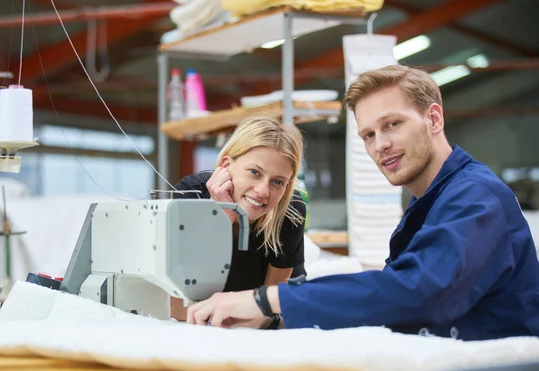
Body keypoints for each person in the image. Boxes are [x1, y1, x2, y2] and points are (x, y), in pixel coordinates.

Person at [185, 65, 539, 340]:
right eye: (368, 134)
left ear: (433, 118)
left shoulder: (475, 196)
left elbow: (419, 292)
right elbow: (390, 296)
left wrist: (267, 301)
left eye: (392, 124)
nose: (379, 145)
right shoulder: (428, 205)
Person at [173, 115, 307, 327]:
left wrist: (241, 318)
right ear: (226, 165)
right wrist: (223, 219)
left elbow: (271, 309)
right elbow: (177, 306)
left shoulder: (289, 211)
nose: (263, 191)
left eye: (277, 182)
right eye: (254, 172)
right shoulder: (191, 196)